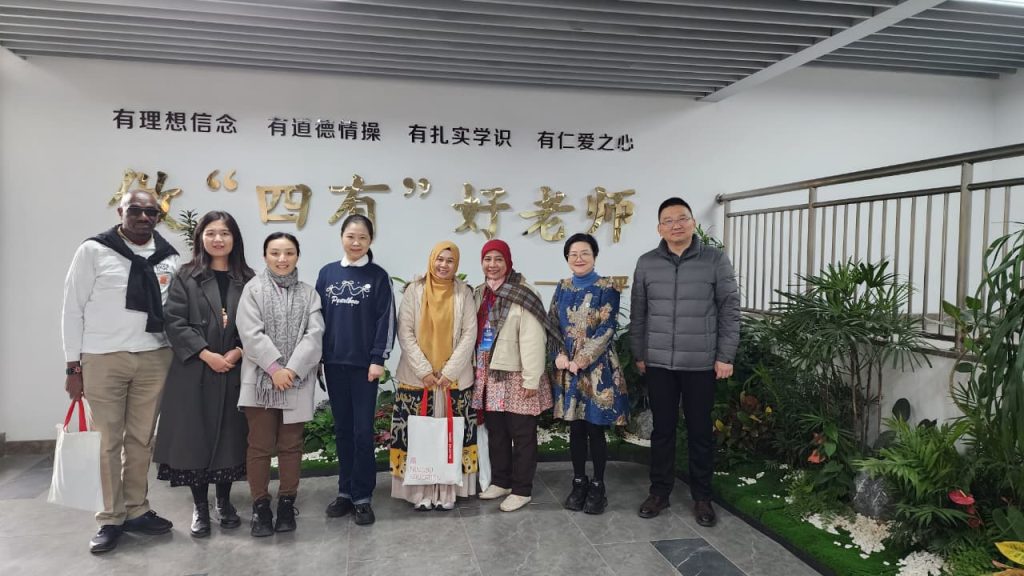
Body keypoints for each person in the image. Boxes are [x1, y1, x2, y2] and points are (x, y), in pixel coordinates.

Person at [61, 189, 180, 554]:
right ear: (121, 212)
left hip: (155, 356)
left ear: (158, 216)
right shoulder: (93, 250)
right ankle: (110, 517)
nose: (143, 217)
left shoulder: (169, 257)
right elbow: (72, 307)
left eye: (151, 211)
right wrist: (73, 365)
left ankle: (137, 509)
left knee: (142, 439)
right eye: (135, 210)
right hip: (103, 358)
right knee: (107, 441)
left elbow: (176, 310)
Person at [629, 197, 740, 526]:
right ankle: (659, 492)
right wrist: (639, 353)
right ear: (659, 228)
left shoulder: (715, 260)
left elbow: (729, 309)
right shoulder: (647, 263)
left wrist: (725, 355)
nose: (675, 225)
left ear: (693, 223)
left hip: (700, 362)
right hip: (659, 362)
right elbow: (639, 312)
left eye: (682, 218)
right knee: (662, 430)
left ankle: (702, 497)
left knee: (700, 431)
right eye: (668, 220)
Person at [154, 211, 254, 538]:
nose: (218, 239)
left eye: (224, 233)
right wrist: (206, 354)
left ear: (234, 238)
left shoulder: (248, 278)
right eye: (211, 233)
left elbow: (257, 323)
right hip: (194, 370)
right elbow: (174, 321)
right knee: (193, 439)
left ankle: (224, 502)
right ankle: (200, 507)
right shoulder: (187, 276)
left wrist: (238, 351)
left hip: (233, 369)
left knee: (229, 437)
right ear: (201, 238)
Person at [237, 232, 324, 537]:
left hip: (296, 381)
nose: (282, 259)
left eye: (289, 253)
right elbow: (249, 333)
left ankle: (287, 503)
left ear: (297, 256)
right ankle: (260, 506)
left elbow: (315, 335)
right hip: (260, 381)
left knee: (291, 446)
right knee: (260, 446)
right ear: (265, 256)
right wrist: (274, 368)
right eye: (275, 253)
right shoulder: (253, 290)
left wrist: (292, 370)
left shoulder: (309, 294)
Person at [316, 214, 396, 526]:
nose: (356, 242)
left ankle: (362, 495)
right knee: (342, 430)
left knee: (363, 431)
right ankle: (345, 492)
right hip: (334, 363)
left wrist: (378, 359)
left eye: (362, 237)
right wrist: (318, 358)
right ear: (341, 237)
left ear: (370, 240)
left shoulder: (378, 276)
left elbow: (386, 320)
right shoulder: (327, 273)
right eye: (351, 236)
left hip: (365, 367)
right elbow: (317, 320)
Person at [389, 241, 479, 510]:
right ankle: (420, 493)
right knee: (420, 438)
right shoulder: (414, 291)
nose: (443, 265)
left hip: (453, 381)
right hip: (418, 379)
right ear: (431, 260)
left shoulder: (464, 293)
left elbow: (469, 334)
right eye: (439, 259)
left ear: (456, 264)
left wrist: (449, 372)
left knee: (450, 437)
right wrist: (424, 371)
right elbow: (405, 331)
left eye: (450, 261)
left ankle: (447, 493)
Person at [472, 239, 559, 512]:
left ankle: (522, 489)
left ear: (508, 262)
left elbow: (534, 339)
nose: (493, 265)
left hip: (518, 373)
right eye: (488, 259)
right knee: (496, 430)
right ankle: (501, 481)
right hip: (489, 372)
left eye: (498, 259)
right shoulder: (480, 293)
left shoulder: (523, 292)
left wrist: (531, 378)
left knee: (522, 434)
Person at [548, 233, 628, 515]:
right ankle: (579, 481)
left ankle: (598, 485)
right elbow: (552, 325)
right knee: (576, 428)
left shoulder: (607, 287)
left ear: (594, 256)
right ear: (567, 258)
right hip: (567, 369)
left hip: (596, 369)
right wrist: (558, 354)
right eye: (573, 254)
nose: (579, 258)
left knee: (595, 428)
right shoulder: (562, 287)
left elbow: (607, 329)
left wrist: (581, 359)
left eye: (585, 253)